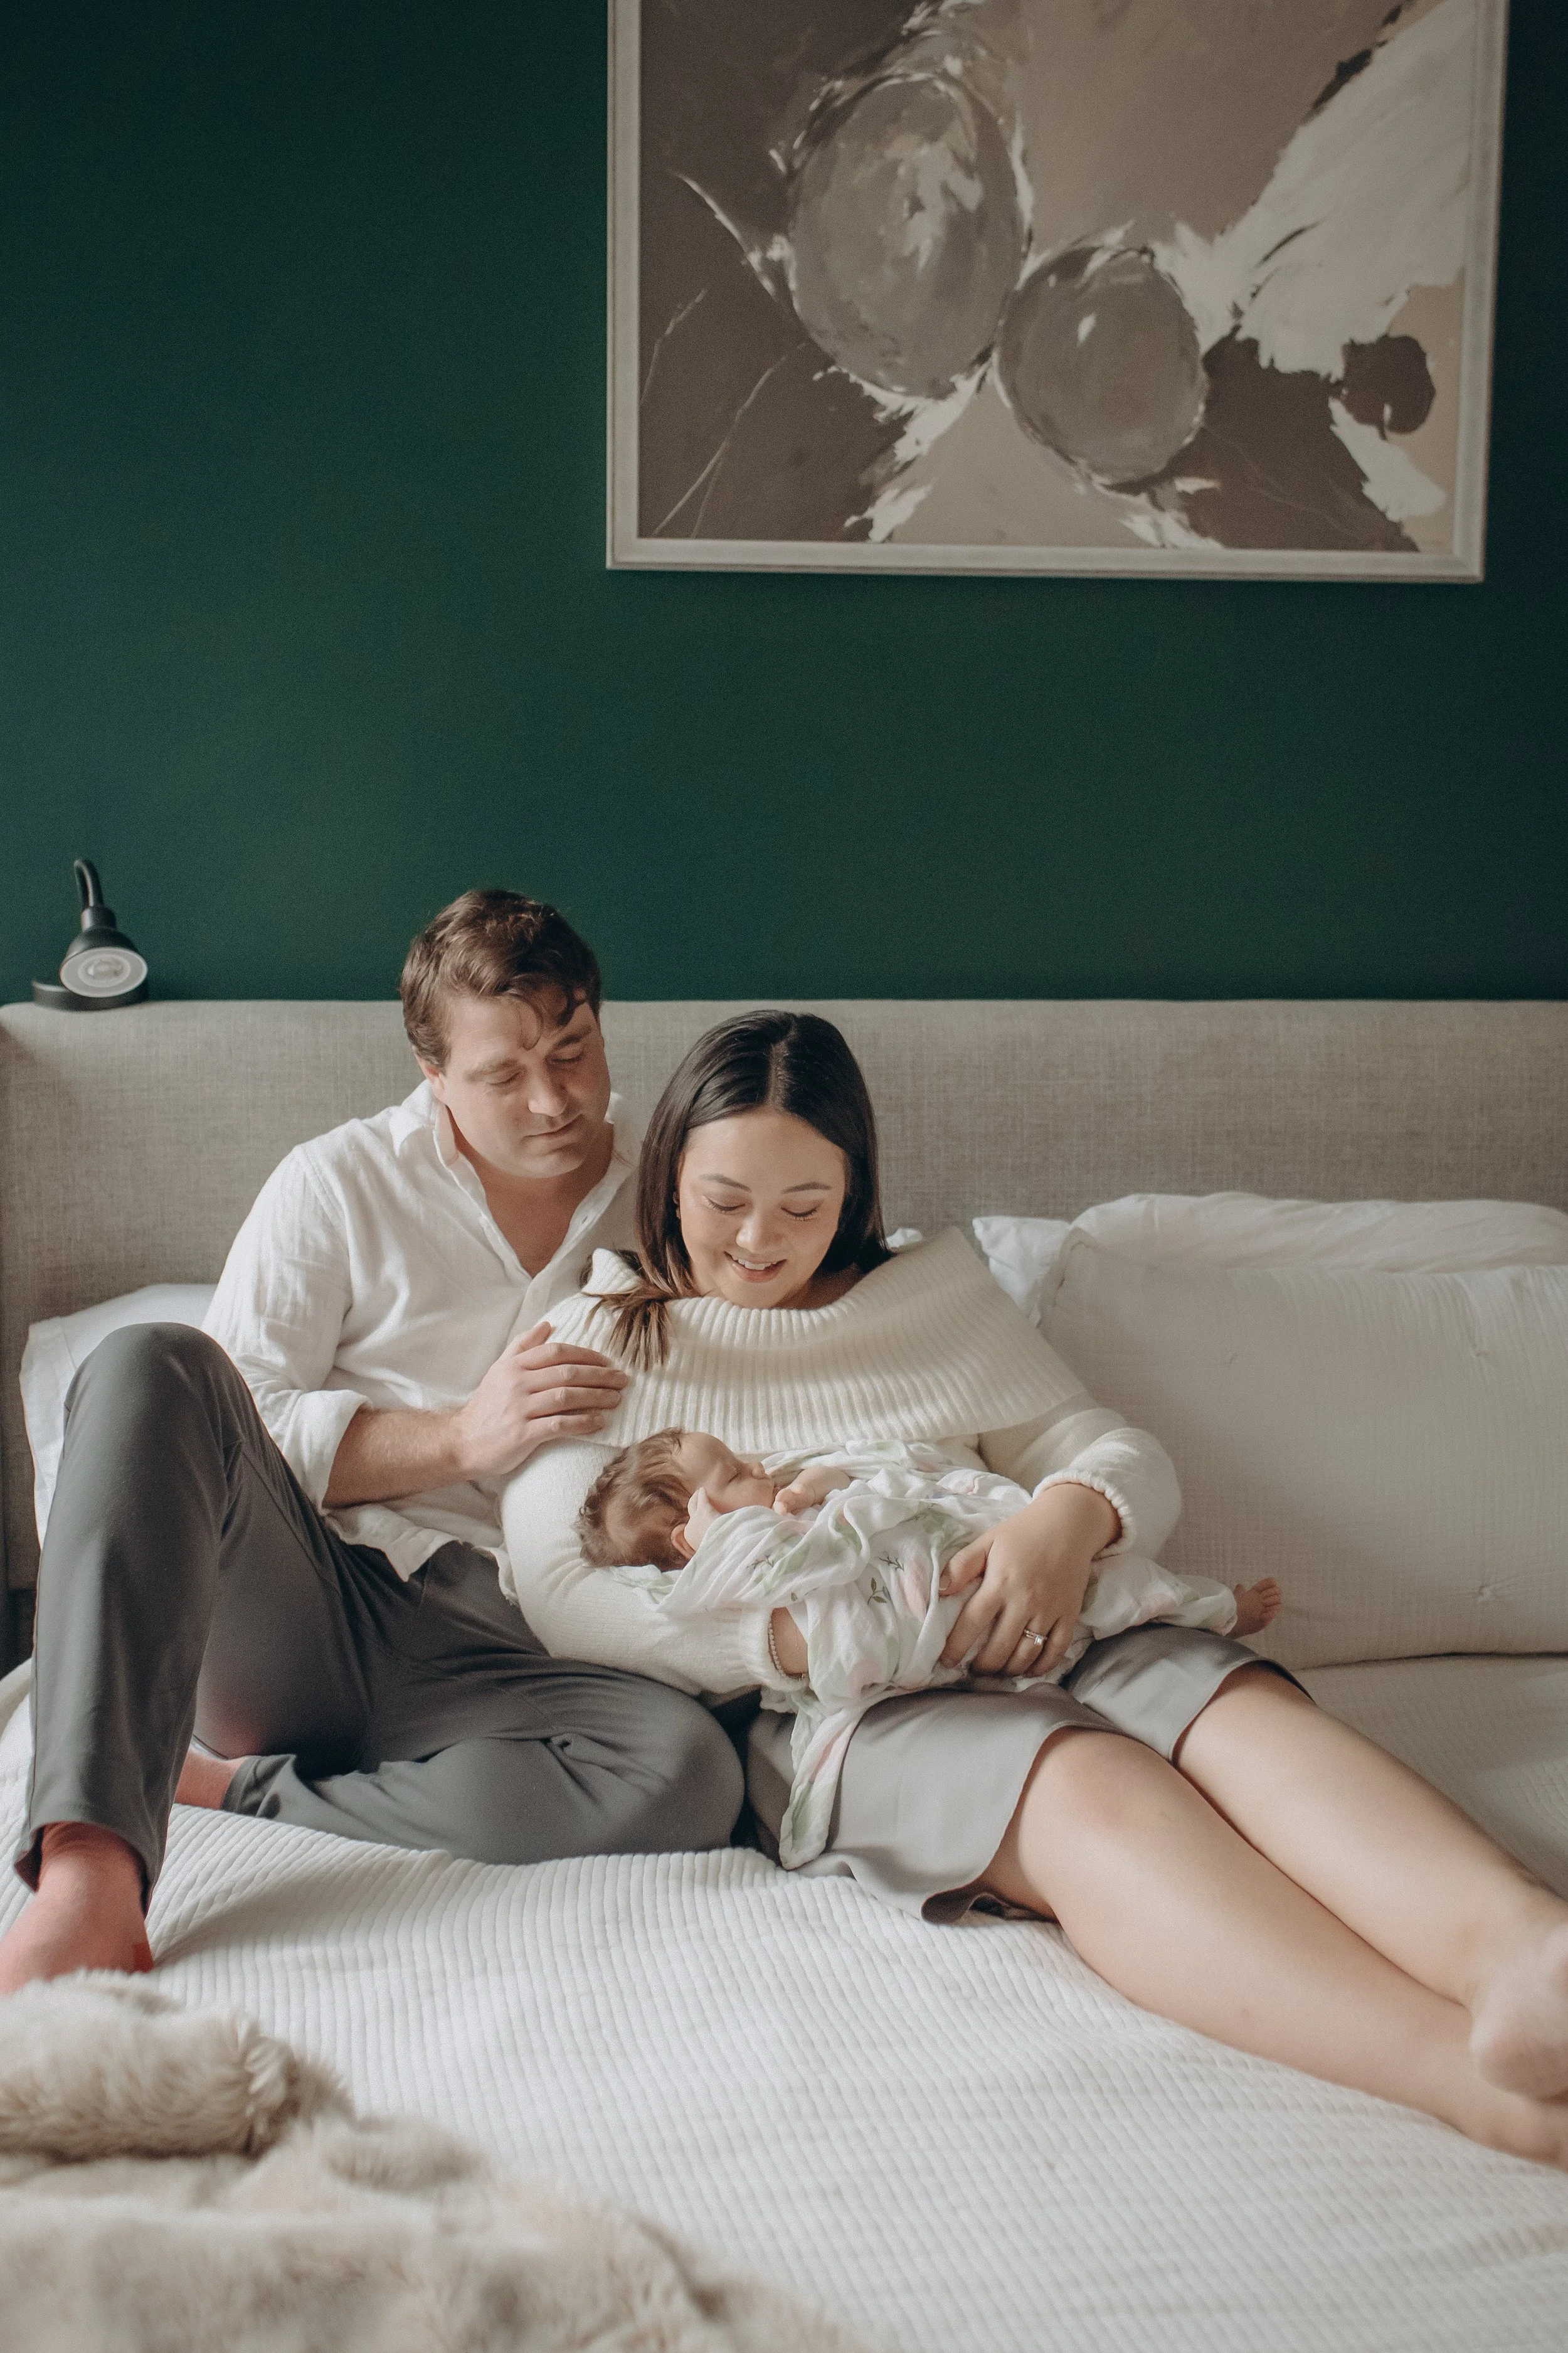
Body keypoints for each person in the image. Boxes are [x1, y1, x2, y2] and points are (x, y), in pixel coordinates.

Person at [499, 1007, 1568, 2170]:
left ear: (852, 1190)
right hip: (859, 1696)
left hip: (1048, 1604)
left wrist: (1071, 1519)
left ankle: (1525, 1955)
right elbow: (558, 1580)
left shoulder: (930, 1294)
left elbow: (1113, 1449)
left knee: (1232, 1711)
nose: (760, 1240)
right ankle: (1466, 2080)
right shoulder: (601, 1333)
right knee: (1080, 1778)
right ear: (667, 1178)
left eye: (804, 1207)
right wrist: (815, 1641)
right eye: (725, 1202)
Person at [0, 890, 742, 1997]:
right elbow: (232, 1413)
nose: (555, 1101)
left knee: (689, 1774)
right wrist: (460, 1436)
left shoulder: (684, 1195)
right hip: (315, 1610)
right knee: (151, 1360)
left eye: (575, 1049)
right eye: (503, 1075)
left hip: (525, 1649)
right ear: (432, 1075)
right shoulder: (337, 1185)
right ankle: (90, 1871)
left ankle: (240, 1791)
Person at [577, 1425, 1282, 1866]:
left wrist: (1068, 1518)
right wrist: (726, 1536)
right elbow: (689, 1594)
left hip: (987, 1560)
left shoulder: (788, 1492)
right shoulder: (730, 1555)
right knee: (1118, 1615)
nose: (759, 1467)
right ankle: (1215, 1608)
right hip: (924, 1637)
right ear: (691, 1537)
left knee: (1121, 1591)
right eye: (733, 1475)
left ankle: (1214, 1607)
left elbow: (891, 1470)